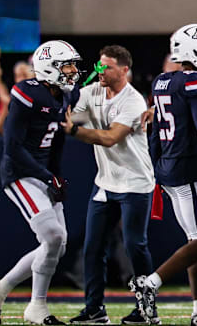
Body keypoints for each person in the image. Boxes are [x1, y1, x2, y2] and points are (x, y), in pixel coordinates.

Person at [137, 24, 197, 326]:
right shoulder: (195, 82)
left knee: (195, 239)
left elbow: (155, 131)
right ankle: (150, 283)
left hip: (168, 167)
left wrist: (156, 166)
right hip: (189, 168)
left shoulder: (163, 80)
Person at [0, 40, 81, 326]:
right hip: (20, 172)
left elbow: (58, 142)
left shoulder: (64, 95)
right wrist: (47, 176)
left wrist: (56, 175)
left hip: (43, 171)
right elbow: (12, 147)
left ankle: (1, 287)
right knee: (52, 237)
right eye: (67, 66)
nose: (73, 71)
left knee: (57, 245)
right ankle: (36, 306)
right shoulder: (28, 93)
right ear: (49, 68)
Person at [64, 45, 156, 325]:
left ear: (124, 70)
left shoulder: (133, 101)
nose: (101, 71)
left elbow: (110, 137)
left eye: (108, 67)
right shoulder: (93, 91)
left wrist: (74, 130)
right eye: (99, 65)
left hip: (135, 183)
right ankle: (94, 309)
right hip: (105, 183)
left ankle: (146, 309)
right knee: (93, 248)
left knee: (134, 246)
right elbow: (65, 105)